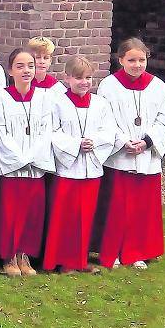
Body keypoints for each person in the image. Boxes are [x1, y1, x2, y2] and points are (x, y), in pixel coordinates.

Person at [95, 38, 165, 270]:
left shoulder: (158, 86)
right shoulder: (109, 85)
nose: (137, 65)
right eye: (131, 60)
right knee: (116, 207)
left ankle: (136, 251)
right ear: (120, 60)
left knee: (141, 208)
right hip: (119, 155)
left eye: (142, 60)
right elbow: (104, 119)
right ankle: (113, 251)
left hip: (146, 156)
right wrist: (123, 141)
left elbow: (164, 119)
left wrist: (147, 142)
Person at [0, 48, 56, 277]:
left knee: (30, 213)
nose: (26, 70)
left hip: (34, 168)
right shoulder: (1, 98)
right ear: (9, 70)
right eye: (20, 66)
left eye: (30, 66)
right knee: (10, 213)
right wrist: (20, 157)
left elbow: (47, 130)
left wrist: (32, 156)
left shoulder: (44, 98)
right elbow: (0, 132)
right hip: (12, 168)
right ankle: (9, 255)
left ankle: (24, 254)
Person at [46, 55, 116, 274]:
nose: (84, 82)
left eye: (88, 78)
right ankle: (62, 261)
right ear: (67, 78)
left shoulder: (100, 104)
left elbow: (109, 131)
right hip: (68, 169)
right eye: (78, 78)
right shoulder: (56, 102)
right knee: (65, 217)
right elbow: (52, 131)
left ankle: (80, 259)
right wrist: (76, 144)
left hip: (91, 169)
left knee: (86, 216)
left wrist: (93, 142)